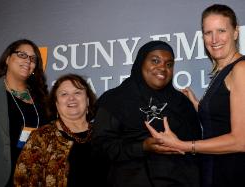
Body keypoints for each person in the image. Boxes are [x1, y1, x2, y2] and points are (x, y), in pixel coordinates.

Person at [145, 4, 245, 187]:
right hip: (216, 169)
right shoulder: (222, 72)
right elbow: (223, 121)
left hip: (235, 172)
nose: (214, 39)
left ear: (235, 32)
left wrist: (183, 145)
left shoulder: (241, 69)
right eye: (208, 33)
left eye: (221, 30)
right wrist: (199, 106)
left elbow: (241, 141)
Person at [92, 40, 202, 187]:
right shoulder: (114, 100)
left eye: (169, 64)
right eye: (155, 61)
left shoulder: (182, 103)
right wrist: (143, 146)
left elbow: (196, 146)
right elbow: (101, 148)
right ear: (140, 62)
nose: (163, 68)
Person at [14, 74, 108, 187]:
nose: (71, 98)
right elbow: (22, 181)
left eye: (77, 92)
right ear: (56, 104)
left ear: (87, 100)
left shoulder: (104, 133)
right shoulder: (41, 137)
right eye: (64, 94)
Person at [0, 39, 49, 186]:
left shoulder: (41, 96)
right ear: (7, 59)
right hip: (2, 176)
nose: (28, 61)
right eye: (22, 55)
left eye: (33, 59)